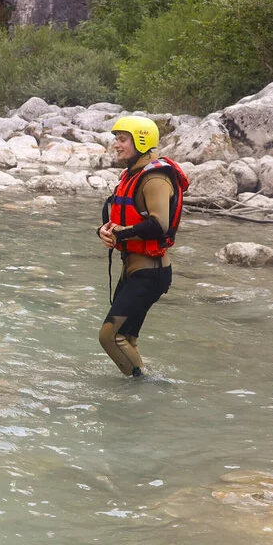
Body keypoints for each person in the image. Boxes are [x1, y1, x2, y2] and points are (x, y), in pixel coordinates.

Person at [97, 116, 189, 377]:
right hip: (134, 269)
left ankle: (143, 385)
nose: (116, 144)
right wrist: (103, 231)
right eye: (116, 139)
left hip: (151, 272)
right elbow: (120, 219)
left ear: (141, 141)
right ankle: (139, 391)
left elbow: (159, 225)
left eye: (122, 139)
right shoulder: (132, 175)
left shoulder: (155, 178)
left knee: (109, 336)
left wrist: (121, 234)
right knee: (127, 337)